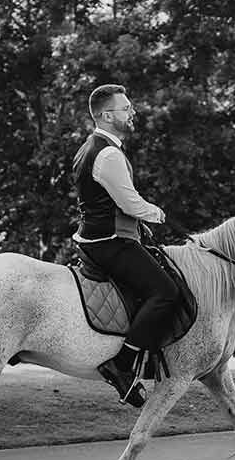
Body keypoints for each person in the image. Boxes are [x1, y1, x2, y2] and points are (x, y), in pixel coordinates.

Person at [72, 84, 178, 407]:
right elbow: (130, 204)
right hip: (110, 243)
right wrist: (158, 214)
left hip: (96, 238)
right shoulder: (107, 154)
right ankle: (123, 364)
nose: (132, 113)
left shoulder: (91, 148)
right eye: (126, 108)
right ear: (107, 115)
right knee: (167, 293)